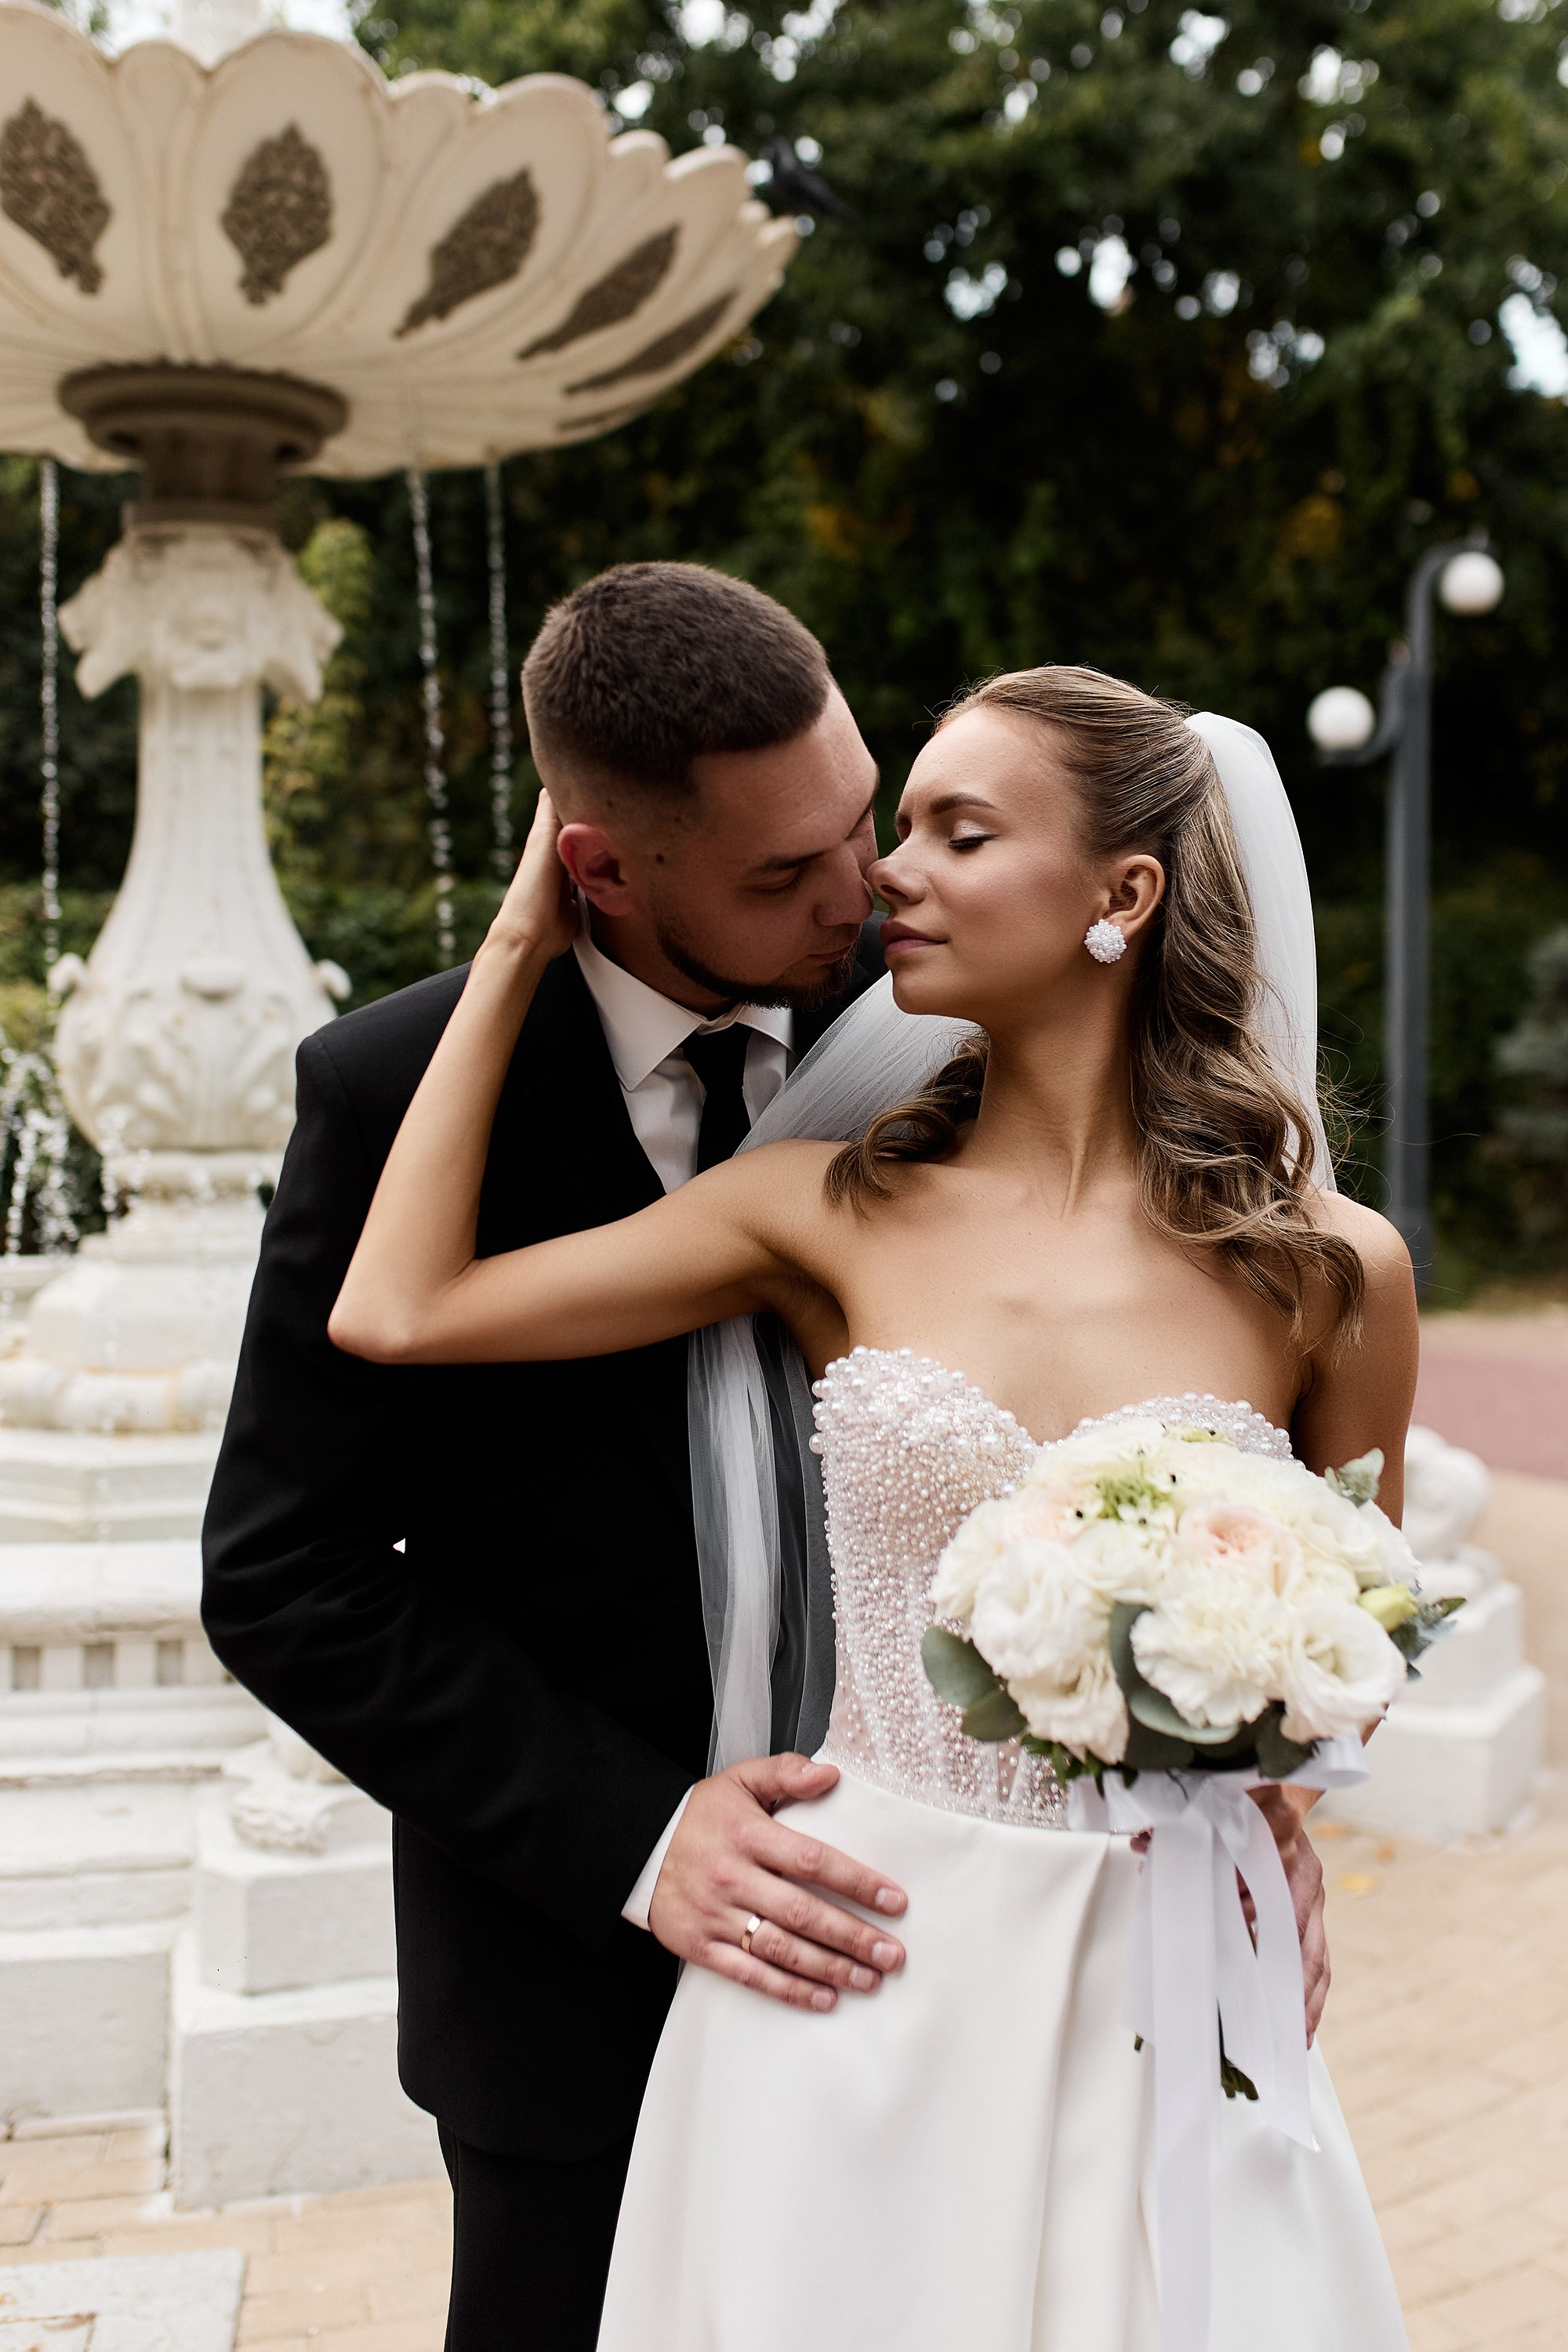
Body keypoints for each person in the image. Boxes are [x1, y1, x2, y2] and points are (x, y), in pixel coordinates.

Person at [328, 663, 1417, 2350]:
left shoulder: (1326, 1274)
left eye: (953, 831)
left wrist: (1269, 1817)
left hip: (1166, 1966)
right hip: (861, 1951)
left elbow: (1352, 1646)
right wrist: (516, 949)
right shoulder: (820, 1211)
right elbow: (396, 1311)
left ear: (1121, 896)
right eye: (893, 824)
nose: (884, 873)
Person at [200, 564, 924, 2352]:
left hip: (926, 1931)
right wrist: (633, 1833)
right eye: (781, 875)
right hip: (570, 1986)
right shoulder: (390, 1093)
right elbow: (279, 1575)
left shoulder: (945, 1042)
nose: (860, 898)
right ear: (597, 867)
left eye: (864, 823)